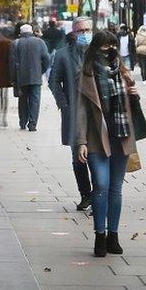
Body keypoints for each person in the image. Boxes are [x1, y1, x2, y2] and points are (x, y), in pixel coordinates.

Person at [76, 30, 137, 257]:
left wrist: (134, 93)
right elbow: (81, 111)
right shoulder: (86, 74)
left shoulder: (122, 71)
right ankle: (99, 234)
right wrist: (80, 141)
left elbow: (132, 105)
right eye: (104, 46)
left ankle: (113, 234)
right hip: (96, 137)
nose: (109, 50)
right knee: (100, 185)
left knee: (115, 188)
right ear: (95, 48)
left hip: (120, 135)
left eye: (112, 45)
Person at [48, 17, 94, 211]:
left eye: (88, 30)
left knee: (98, 157)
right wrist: (64, 104)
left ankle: (98, 196)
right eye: (81, 31)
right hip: (74, 113)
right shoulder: (62, 55)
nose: (85, 34)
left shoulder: (99, 53)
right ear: (73, 33)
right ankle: (86, 194)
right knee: (78, 158)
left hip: (96, 114)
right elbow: (53, 81)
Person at [9, 24, 50, 131]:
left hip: (21, 76)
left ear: (21, 33)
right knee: (35, 100)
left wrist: (13, 78)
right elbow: (46, 59)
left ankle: (22, 122)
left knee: (22, 100)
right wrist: (41, 70)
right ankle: (32, 124)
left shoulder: (16, 43)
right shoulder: (40, 42)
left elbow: (12, 62)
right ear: (31, 32)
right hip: (36, 76)